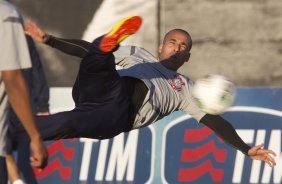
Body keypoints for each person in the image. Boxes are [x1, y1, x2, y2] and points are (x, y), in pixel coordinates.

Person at [11, 16, 276, 167]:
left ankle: (8, 131)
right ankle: (107, 44)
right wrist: (50, 40)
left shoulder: (185, 88)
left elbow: (214, 121)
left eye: (183, 46)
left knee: (65, 122)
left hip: (113, 116)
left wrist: (245, 148)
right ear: (162, 47)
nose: (177, 47)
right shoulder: (139, 55)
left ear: (187, 57)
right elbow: (84, 51)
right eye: (172, 42)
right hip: (99, 88)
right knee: (98, 55)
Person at [0, 0, 48, 183]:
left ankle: (16, 178)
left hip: (19, 104)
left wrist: (43, 103)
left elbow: (36, 70)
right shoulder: (5, 13)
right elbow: (12, 78)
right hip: (15, 102)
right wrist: (35, 137)